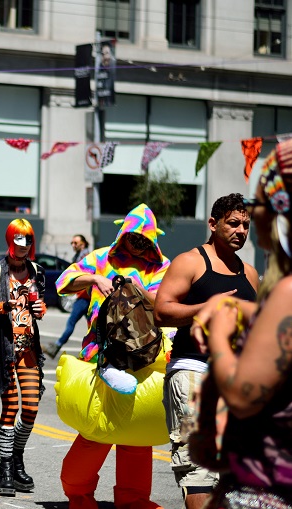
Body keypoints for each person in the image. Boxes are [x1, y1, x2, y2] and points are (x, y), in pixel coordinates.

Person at [189, 139, 292, 508]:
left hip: (268, 488)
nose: (248, 224)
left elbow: (242, 393)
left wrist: (218, 335)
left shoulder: (286, 289)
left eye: (257, 208)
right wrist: (239, 309)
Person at [55, 203, 170, 509]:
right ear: (123, 234)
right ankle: (79, 495)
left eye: (145, 240)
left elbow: (167, 302)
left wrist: (134, 289)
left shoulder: (161, 267)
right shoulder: (101, 258)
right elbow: (62, 283)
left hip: (143, 359)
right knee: (97, 429)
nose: (138, 245)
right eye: (134, 238)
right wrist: (95, 279)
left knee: (137, 436)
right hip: (101, 357)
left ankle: (133, 500)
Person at [153, 194, 258, 509]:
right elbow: (162, 311)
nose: (240, 231)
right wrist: (207, 307)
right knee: (199, 469)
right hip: (192, 375)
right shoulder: (191, 261)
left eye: (245, 225)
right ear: (213, 224)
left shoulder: (249, 273)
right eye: (233, 223)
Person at [0, 218, 46, 497]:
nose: (22, 247)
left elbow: (39, 308)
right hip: (6, 348)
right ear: (10, 241)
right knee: (10, 408)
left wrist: (40, 308)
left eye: (27, 242)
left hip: (29, 348)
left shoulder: (37, 271)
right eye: (18, 242)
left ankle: (16, 457)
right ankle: (6, 467)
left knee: (30, 409)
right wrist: (1, 307)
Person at [45, 234, 91, 358]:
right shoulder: (80, 256)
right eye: (72, 243)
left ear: (83, 244)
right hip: (86, 296)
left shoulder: (85, 257)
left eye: (75, 243)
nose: (73, 245)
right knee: (93, 326)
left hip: (84, 296)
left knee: (72, 322)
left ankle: (56, 346)